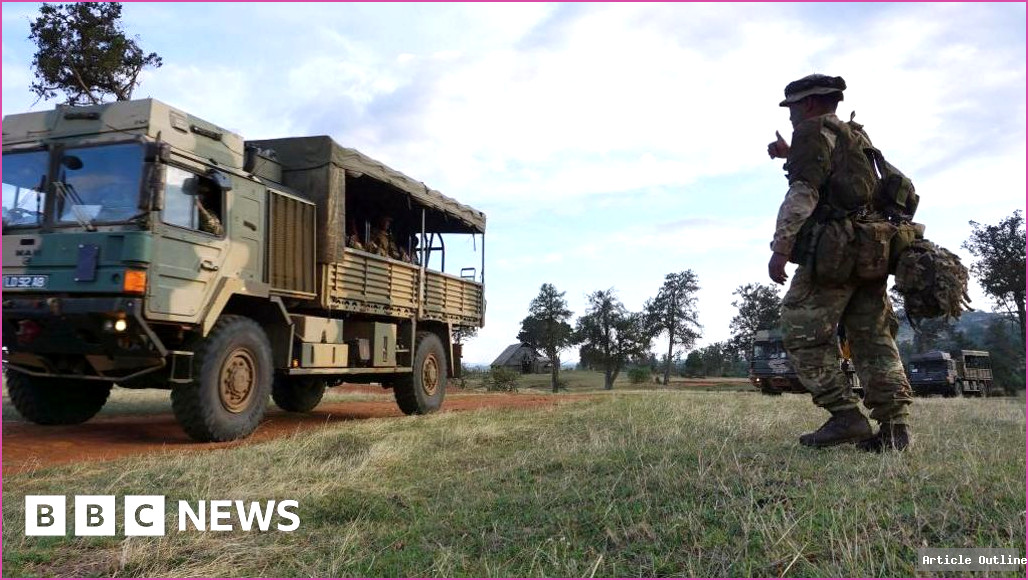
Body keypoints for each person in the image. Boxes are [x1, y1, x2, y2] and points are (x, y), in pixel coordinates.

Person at [766, 74, 913, 452]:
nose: (793, 116)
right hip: (873, 249)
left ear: (810, 104)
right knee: (874, 338)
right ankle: (895, 430)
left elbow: (804, 192)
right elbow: (853, 185)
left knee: (800, 328)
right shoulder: (854, 134)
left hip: (836, 253)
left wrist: (781, 246)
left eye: (794, 108)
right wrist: (789, 154)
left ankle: (845, 415)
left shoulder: (812, 131)